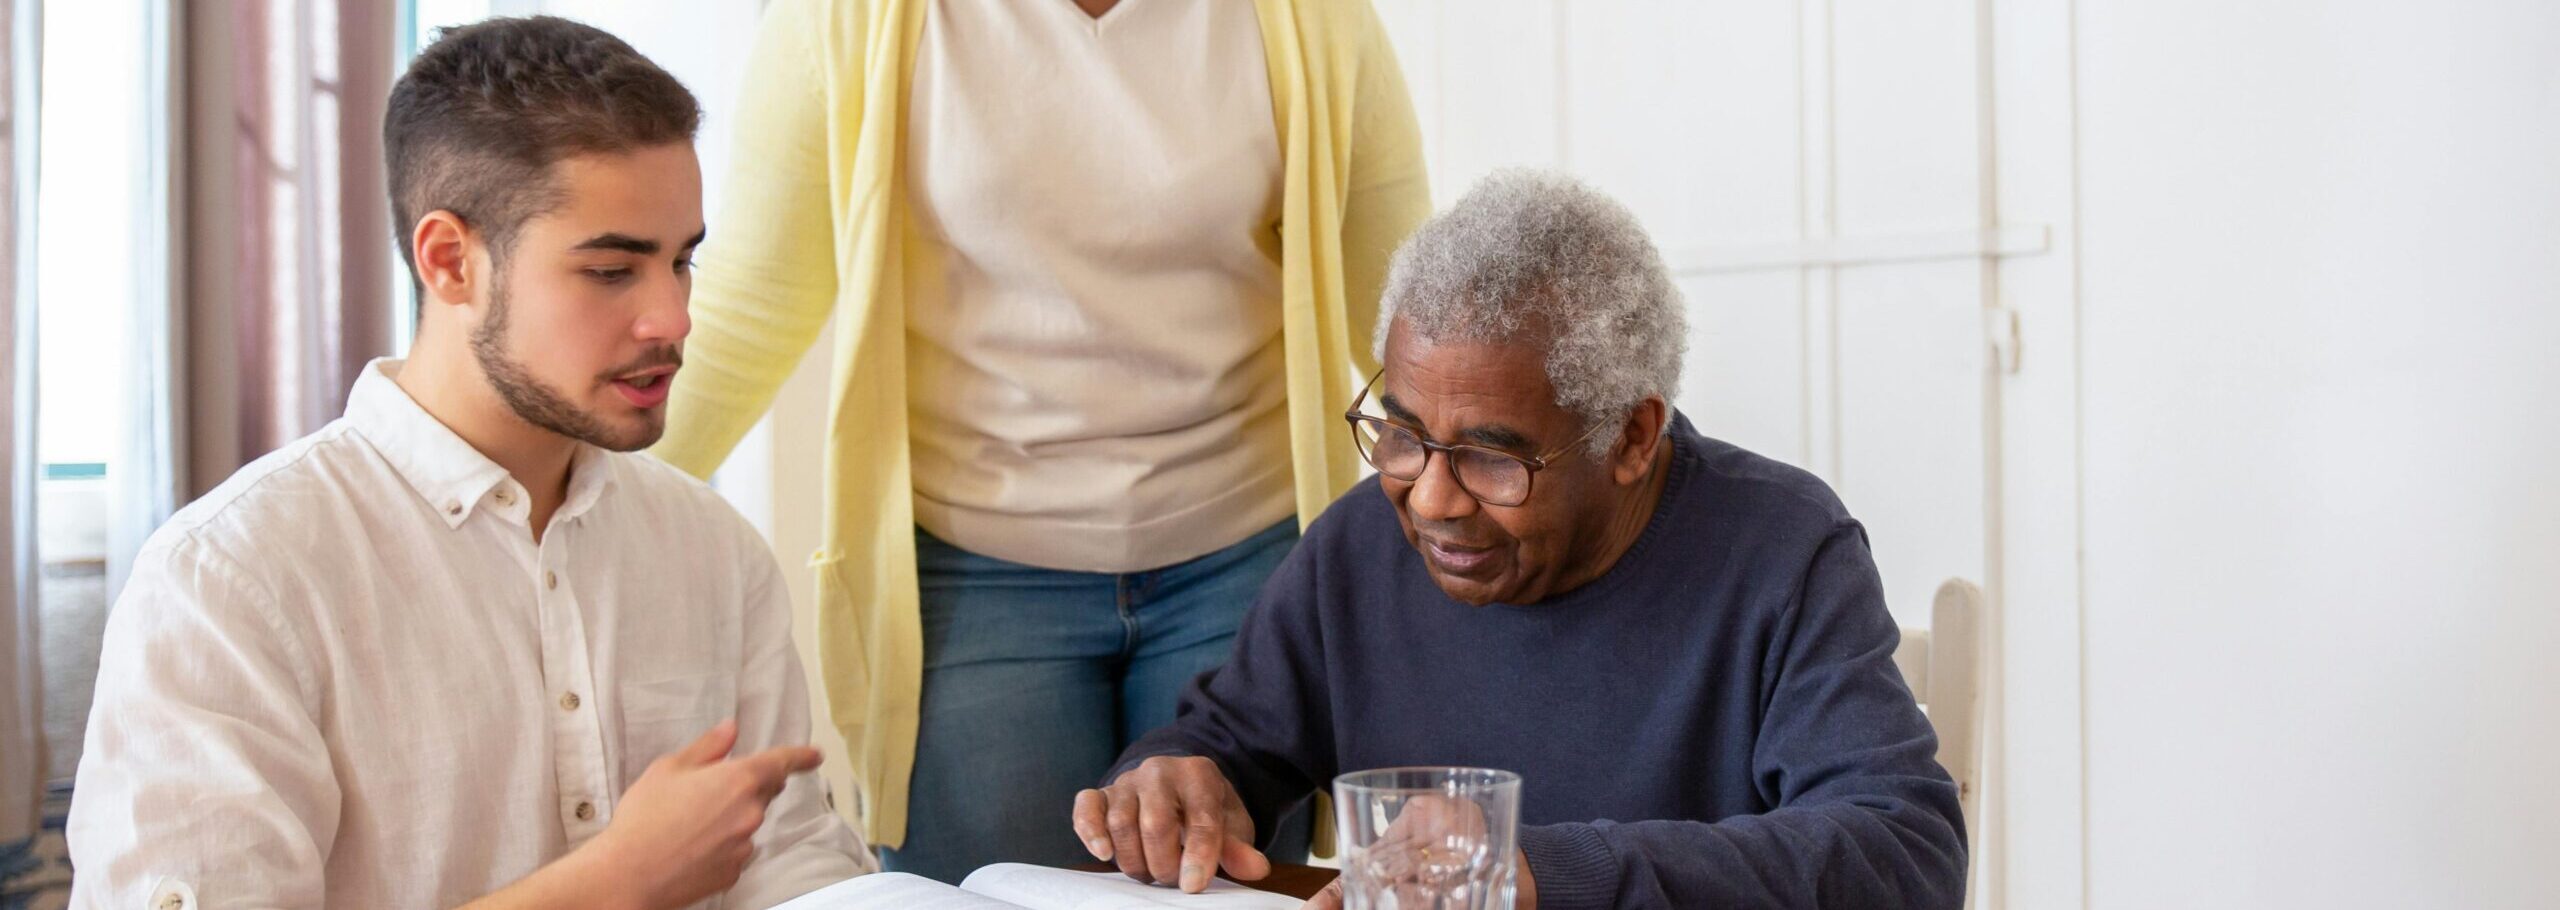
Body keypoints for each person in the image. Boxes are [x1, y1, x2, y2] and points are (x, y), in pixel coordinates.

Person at [65, 18, 866, 909]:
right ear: (450, 261)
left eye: (682, 262)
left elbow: (793, 865)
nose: (673, 319)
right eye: (612, 271)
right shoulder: (231, 580)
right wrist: (615, 883)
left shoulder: (714, 552)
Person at [647, 0, 1431, 880]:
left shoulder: (1312, 20)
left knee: (1223, 892)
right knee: (986, 894)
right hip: (977, 569)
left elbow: (1405, 302)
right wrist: (572, 490)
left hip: (1243, 559)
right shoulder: (846, 20)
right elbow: (750, 307)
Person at [1068, 170, 1969, 909]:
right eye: (1403, 432)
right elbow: (1229, 744)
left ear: (1630, 437)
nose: (1430, 498)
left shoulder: (1781, 550)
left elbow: (1904, 847)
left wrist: (1536, 871)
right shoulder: (1359, 549)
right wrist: (1176, 783)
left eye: (1491, 460)